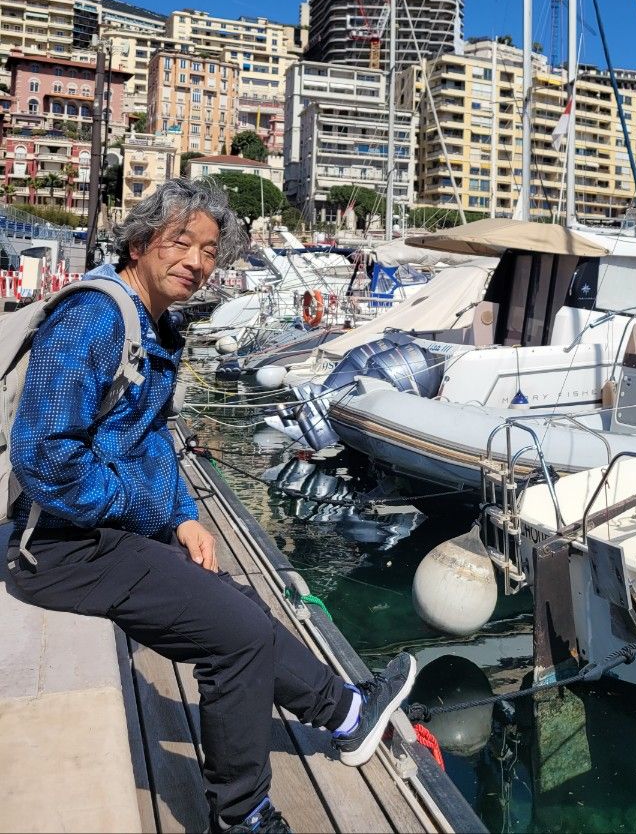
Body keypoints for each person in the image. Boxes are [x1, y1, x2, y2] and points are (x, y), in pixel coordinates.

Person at [6, 179, 416, 834]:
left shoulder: (154, 323)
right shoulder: (93, 319)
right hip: (61, 547)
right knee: (238, 637)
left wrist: (184, 516)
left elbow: (149, 438)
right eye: (181, 243)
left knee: (241, 606)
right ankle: (241, 814)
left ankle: (345, 714)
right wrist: (138, 506)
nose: (197, 262)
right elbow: (44, 457)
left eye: (207, 250)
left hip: (107, 534)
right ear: (139, 243)